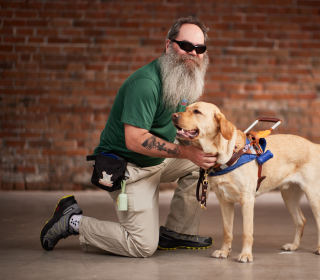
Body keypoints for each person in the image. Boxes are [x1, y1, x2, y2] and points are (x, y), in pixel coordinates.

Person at [40, 16, 217, 257]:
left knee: (204, 160)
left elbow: (176, 125)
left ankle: (177, 232)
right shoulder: (146, 83)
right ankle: (72, 220)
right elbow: (135, 140)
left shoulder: (185, 81)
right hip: (128, 168)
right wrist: (185, 151)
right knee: (142, 245)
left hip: (156, 161)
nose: (193, 53)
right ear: (168, 46)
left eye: (199, 48)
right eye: (185, 46)